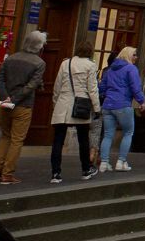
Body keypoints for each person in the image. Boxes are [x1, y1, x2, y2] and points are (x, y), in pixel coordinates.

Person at [0, 30, 46, 184]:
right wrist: (14, 99)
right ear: (39, 46)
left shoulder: (11, 58)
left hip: (5, 103)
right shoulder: (39, 63)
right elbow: (31, 85)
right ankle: (7, 173)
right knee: (17, 139)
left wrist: (4, 97)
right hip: (23, 105)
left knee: (5, 135)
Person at [48, 39, 100, 183]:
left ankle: (55, 173)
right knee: (83, 139)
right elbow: (92, 89)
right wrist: (97, 108)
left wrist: (55, 103)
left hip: (63, 103)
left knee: (58, 140)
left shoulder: (66, 63)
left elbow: (57, 86)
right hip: (81, 104)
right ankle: (85, 169)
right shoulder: (91, 66)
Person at [96, 45, 143, 172]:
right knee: (128, 133)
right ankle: (121, 161)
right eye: (134, 55)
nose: (136, 57)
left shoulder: (110, 69)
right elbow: (135, 87)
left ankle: (104, 163)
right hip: (123, 104)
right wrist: (141, 101)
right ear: (128, 55)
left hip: (107, 105)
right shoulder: (131, 69)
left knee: (107, 135)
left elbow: (102, 87)